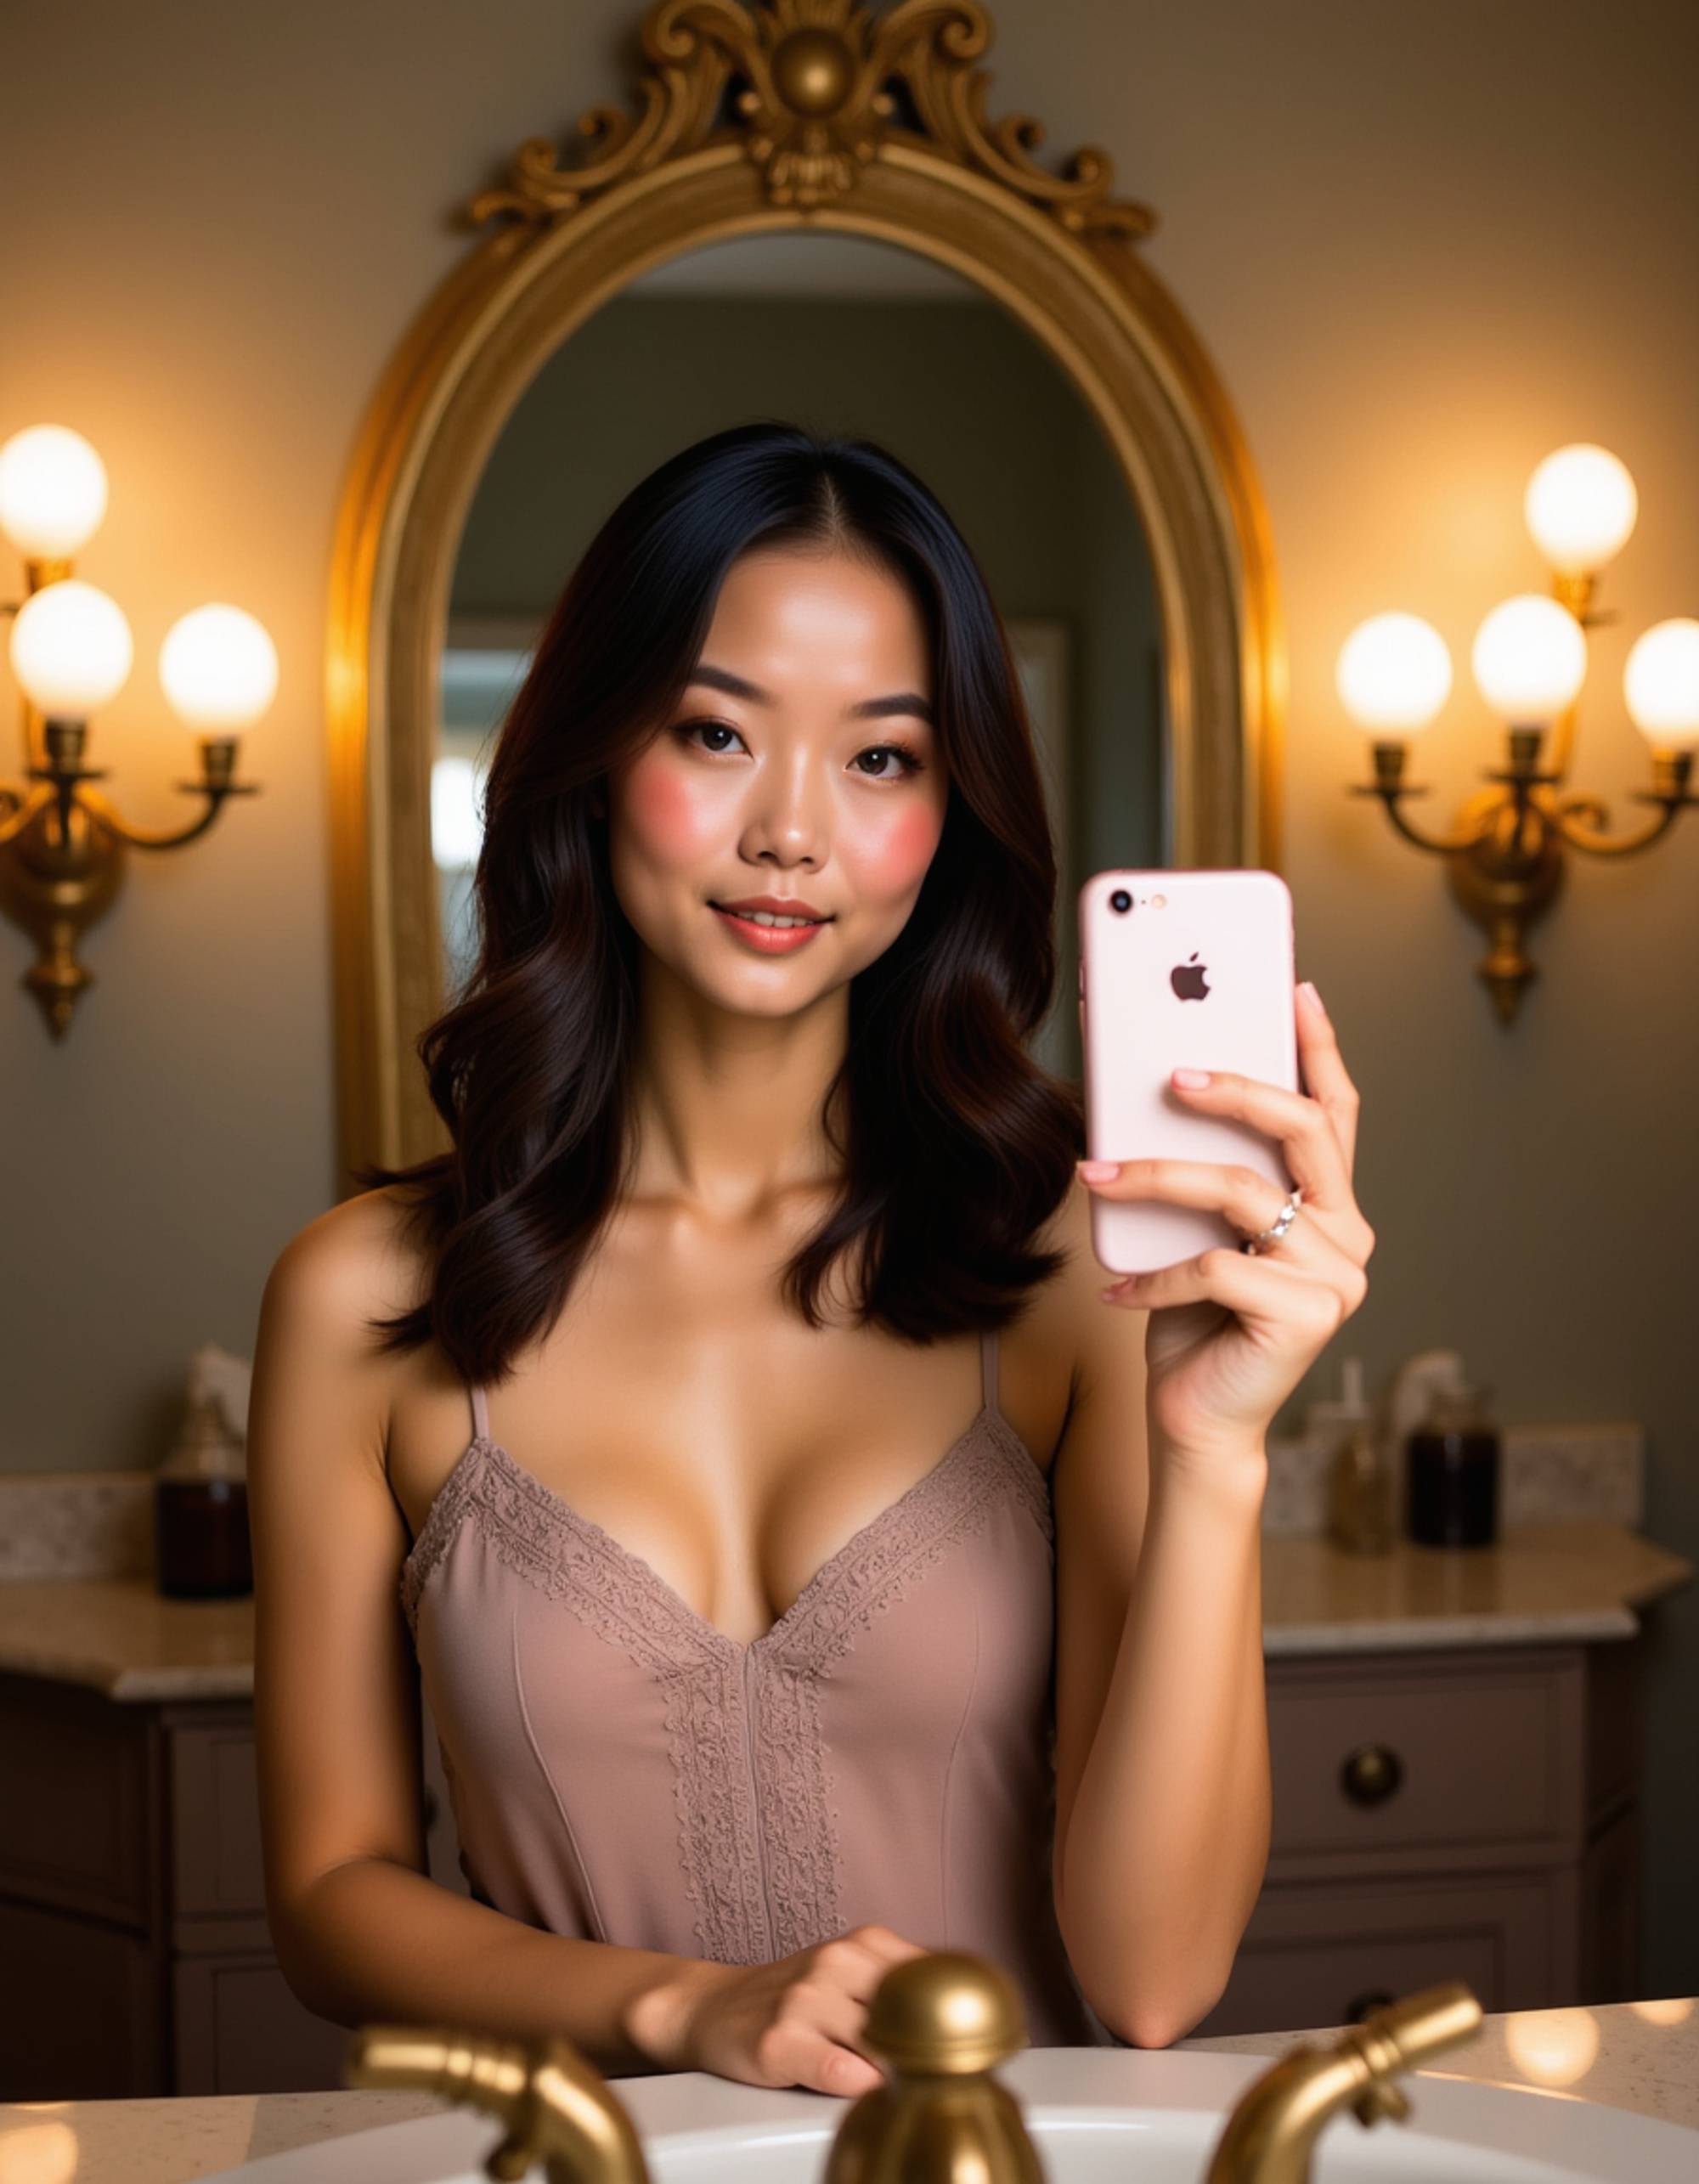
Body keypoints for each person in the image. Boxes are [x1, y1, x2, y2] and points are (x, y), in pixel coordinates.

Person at [248, 420, 1374, 2097]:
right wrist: (676, 2008)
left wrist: (1215, 1456)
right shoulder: (363, 1298)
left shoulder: (1072, 1278)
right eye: (715, 730)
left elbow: (1149, 1982)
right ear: (588, 750)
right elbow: (332, 1896)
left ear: (950, 811)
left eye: (881, 757)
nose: (790, 830)